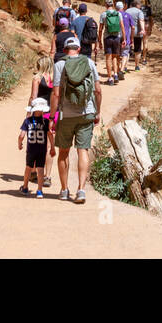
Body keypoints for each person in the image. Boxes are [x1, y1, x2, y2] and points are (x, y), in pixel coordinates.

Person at [52, 36, 100, 203]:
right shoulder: (89, 63)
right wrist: (97, 112)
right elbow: (98, 90)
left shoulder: (59, 65)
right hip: (86, 113)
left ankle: (64, 190)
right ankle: (81, 190)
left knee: (63, 152)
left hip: (66, 115)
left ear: (65, 50)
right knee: (83, 150)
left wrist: (52, 117)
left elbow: (56, 94)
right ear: (79, 49)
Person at [29, 56, 57, 188]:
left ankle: (34, 171)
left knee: (38, 143)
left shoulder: (37, 79)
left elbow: (33, 97)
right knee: (50, 145)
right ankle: (48, 176)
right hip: (53, 114)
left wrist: (29, 113)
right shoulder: (55, 79)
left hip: (39, 114)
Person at [18, 98, 51, 197]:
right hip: (42, 149)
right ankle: (39, 191)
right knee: (40, 169)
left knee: (28, 167)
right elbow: (50, 135)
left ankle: (25, 187)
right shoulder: (45, 121)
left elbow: (21, 135)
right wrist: (52, 147)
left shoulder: (27, 121)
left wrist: (19, 143)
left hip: (31, 149)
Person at [101, 0, 123, 84]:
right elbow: (122, 27)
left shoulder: (103, 14)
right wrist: (124, 38)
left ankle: (110, 78)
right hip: (116, 37)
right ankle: (116, 74)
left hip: (107, 37)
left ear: (106, 5)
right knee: (114, 56)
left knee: (108, 58)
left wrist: (99, 39)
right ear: (113, 5)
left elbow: (100, 28)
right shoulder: (118, 14)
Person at [126, 0, 145, 71]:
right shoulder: (139, 12)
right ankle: (137, 66)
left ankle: (125, 66)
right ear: (137, 5)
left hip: (128, 32)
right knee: (138, 49)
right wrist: (143, 30)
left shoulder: (127, 11)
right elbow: (141, 21)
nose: (140, 6)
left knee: (127, 50)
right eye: (140, 4)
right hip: (137, 32)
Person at [137, 0, 152, 65]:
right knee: (145, 41)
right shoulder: (147, 0)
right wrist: (151, 26)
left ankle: (137, 59)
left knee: (138, 40)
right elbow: (150, 15)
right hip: (146, 22)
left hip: (138, 22)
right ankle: (144, 58)